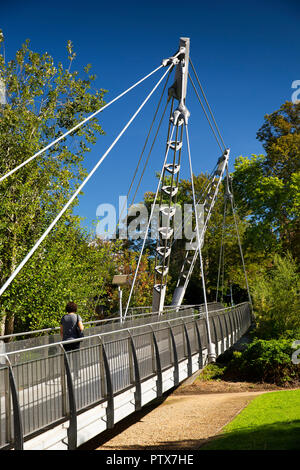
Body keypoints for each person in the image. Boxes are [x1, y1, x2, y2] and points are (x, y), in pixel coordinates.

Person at [60, 302, 84, 378]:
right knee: (75, 358)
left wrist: (63, 338)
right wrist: (82, 327)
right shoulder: (77, 317)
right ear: (75, 308)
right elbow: (81, 328)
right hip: (75, 341)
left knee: (67, 359)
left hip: (66, 341)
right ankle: (76, 375)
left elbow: (61, 330)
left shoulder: (63, 317)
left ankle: (68, 375)